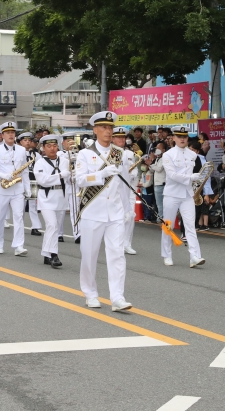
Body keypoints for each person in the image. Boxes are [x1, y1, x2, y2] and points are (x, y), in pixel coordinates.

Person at [75, 111, 132, 311]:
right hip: (93, 211)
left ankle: (117, 297)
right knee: (89, 255)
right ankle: (90, 294)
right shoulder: (84, 153)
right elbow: (80, 180)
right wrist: (101, 174)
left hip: (115, 212)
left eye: (110, 128)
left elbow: (124, 184)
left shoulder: (120, 154)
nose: (108, 131)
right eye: (104, 128)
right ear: (95, 130)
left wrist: (127, 210)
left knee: (117, 255)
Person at [160, 127, 206, 267]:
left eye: (184, 136)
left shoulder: (193, 155)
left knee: (190, 226)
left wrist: (197, 180)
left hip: (187, 194)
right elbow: (172, 175)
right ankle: (167, 254)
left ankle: (195, 256)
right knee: (168, 225)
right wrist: (191, 177)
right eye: (179, 136)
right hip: (172, 193)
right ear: (173, 138)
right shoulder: (168, 155)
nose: (182, 139)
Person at [0, 121, 29, 255]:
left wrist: (27, 189)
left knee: (19, 216)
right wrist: (2, 176)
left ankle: (18, 246)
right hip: (2, 189)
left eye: (13, 132)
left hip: (18, 189)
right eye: (8, 133)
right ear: (2, 135)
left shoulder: (21, 149)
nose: (11, 135)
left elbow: (25, 171)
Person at [34, 134, 70, 268]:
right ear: (43, 148)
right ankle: (54, 255)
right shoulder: (40, 163)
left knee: (55, 227)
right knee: (52, 225)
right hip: (46, 198)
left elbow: (70, 178)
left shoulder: (65, 161)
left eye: (55, 146)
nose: (52, 149)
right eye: (49, 146)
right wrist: (60, 175)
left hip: (61, 197)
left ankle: (46, 254)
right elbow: (43, 180)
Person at [111, 126, 139, 254]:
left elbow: (134, 168)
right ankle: (116, 242)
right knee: (116, 217)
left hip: (128, 189)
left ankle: (127, 243)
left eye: (123, 137)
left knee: (130, 215)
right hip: (114, 190)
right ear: (113, 138)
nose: (121, 139)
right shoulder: (109, 152)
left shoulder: (129, 154)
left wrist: (134, 173)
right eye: (118, 137)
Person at [18, 132, 43, 236]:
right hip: (21, 181)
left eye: (29, 140)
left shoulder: (35, 154)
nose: (28, 142)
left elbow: (41, 167)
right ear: (20, 142)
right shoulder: (17, 153)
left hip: (32, 181)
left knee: (33, 205)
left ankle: (35, 227)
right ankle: (20, 225)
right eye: (25, 140)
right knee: (21, 205)